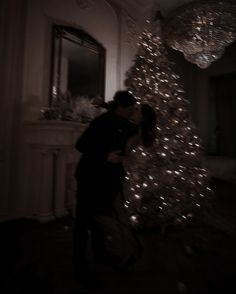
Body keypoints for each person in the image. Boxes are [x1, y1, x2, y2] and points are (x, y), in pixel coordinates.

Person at [73, 90, 137, 283]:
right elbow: (81, 145)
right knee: (82, 223)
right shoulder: (101, 122)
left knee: (99, 219)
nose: (132, 112)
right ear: (121, 108)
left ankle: (100, 255)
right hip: (89, 176)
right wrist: (105, 156)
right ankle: (81, 268)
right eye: (130, 109)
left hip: (106, 180)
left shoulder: (124, 124)